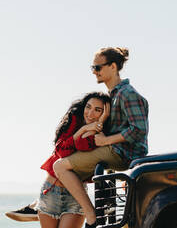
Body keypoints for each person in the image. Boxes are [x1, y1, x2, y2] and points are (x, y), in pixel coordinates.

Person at [53, 47, 149, 228]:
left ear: (113, 67)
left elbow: (139, 130)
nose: (94, 72)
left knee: (60, 166)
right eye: (93, 68)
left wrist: (106, 141)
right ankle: (45, 203)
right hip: (115, 151)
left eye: (98, 67)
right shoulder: (113, 96)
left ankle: (91, 217)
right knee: (62, 163)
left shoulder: (126, 93)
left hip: (124, 153)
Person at [7, 92, 111, 228]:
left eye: (98, 110)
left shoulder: (102, 135)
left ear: (105, 114)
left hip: (76, 197)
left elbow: (82, 146)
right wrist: (84, 129)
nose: (90, 113)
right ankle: (37, 205)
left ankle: (34, 206)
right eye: (88, 107)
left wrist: (98, 125)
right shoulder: (74, 119)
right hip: (50, 192)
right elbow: (62, 151)